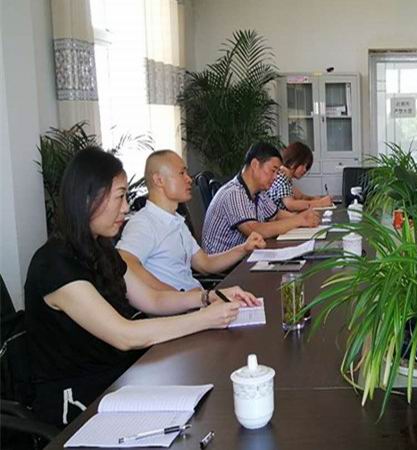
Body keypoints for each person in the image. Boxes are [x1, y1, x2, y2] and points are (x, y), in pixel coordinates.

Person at [24, 148, 261, 426]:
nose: (126, 208)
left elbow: (153, 300)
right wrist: (205, 319)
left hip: (121, 377)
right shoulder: (55, 264)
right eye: (119, 197)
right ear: (88, 198)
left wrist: (208, 297)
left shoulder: (100, 249)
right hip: (82, 400)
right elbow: (124, 335)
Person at [117, 150, 266, 291]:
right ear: (159, 180)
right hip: (183, 306)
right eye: (182, 173)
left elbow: (205, 264)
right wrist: (176, 296)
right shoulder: (143, 223)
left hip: (198, 300)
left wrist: (244, 248)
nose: (189, 179)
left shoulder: (176, 221)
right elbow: (125, 263)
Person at [202, 142, 321, 254]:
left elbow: (277, 215)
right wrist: (299, 220)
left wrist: (305, 218)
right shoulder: (234, 193)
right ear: (255, 164)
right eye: (273, 171)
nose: (275, 177)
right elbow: (255, 229)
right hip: (228, 266)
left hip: (245, 257)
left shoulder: (259, 192)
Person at [266, 142, 333, 211]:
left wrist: (314, 199)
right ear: (293, 160)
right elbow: (291, 204)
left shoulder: (286, 178)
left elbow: (300, 196)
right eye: (303, 164)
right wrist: (320, 203)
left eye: (306, 167)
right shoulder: (281, 177)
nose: (305, 170)